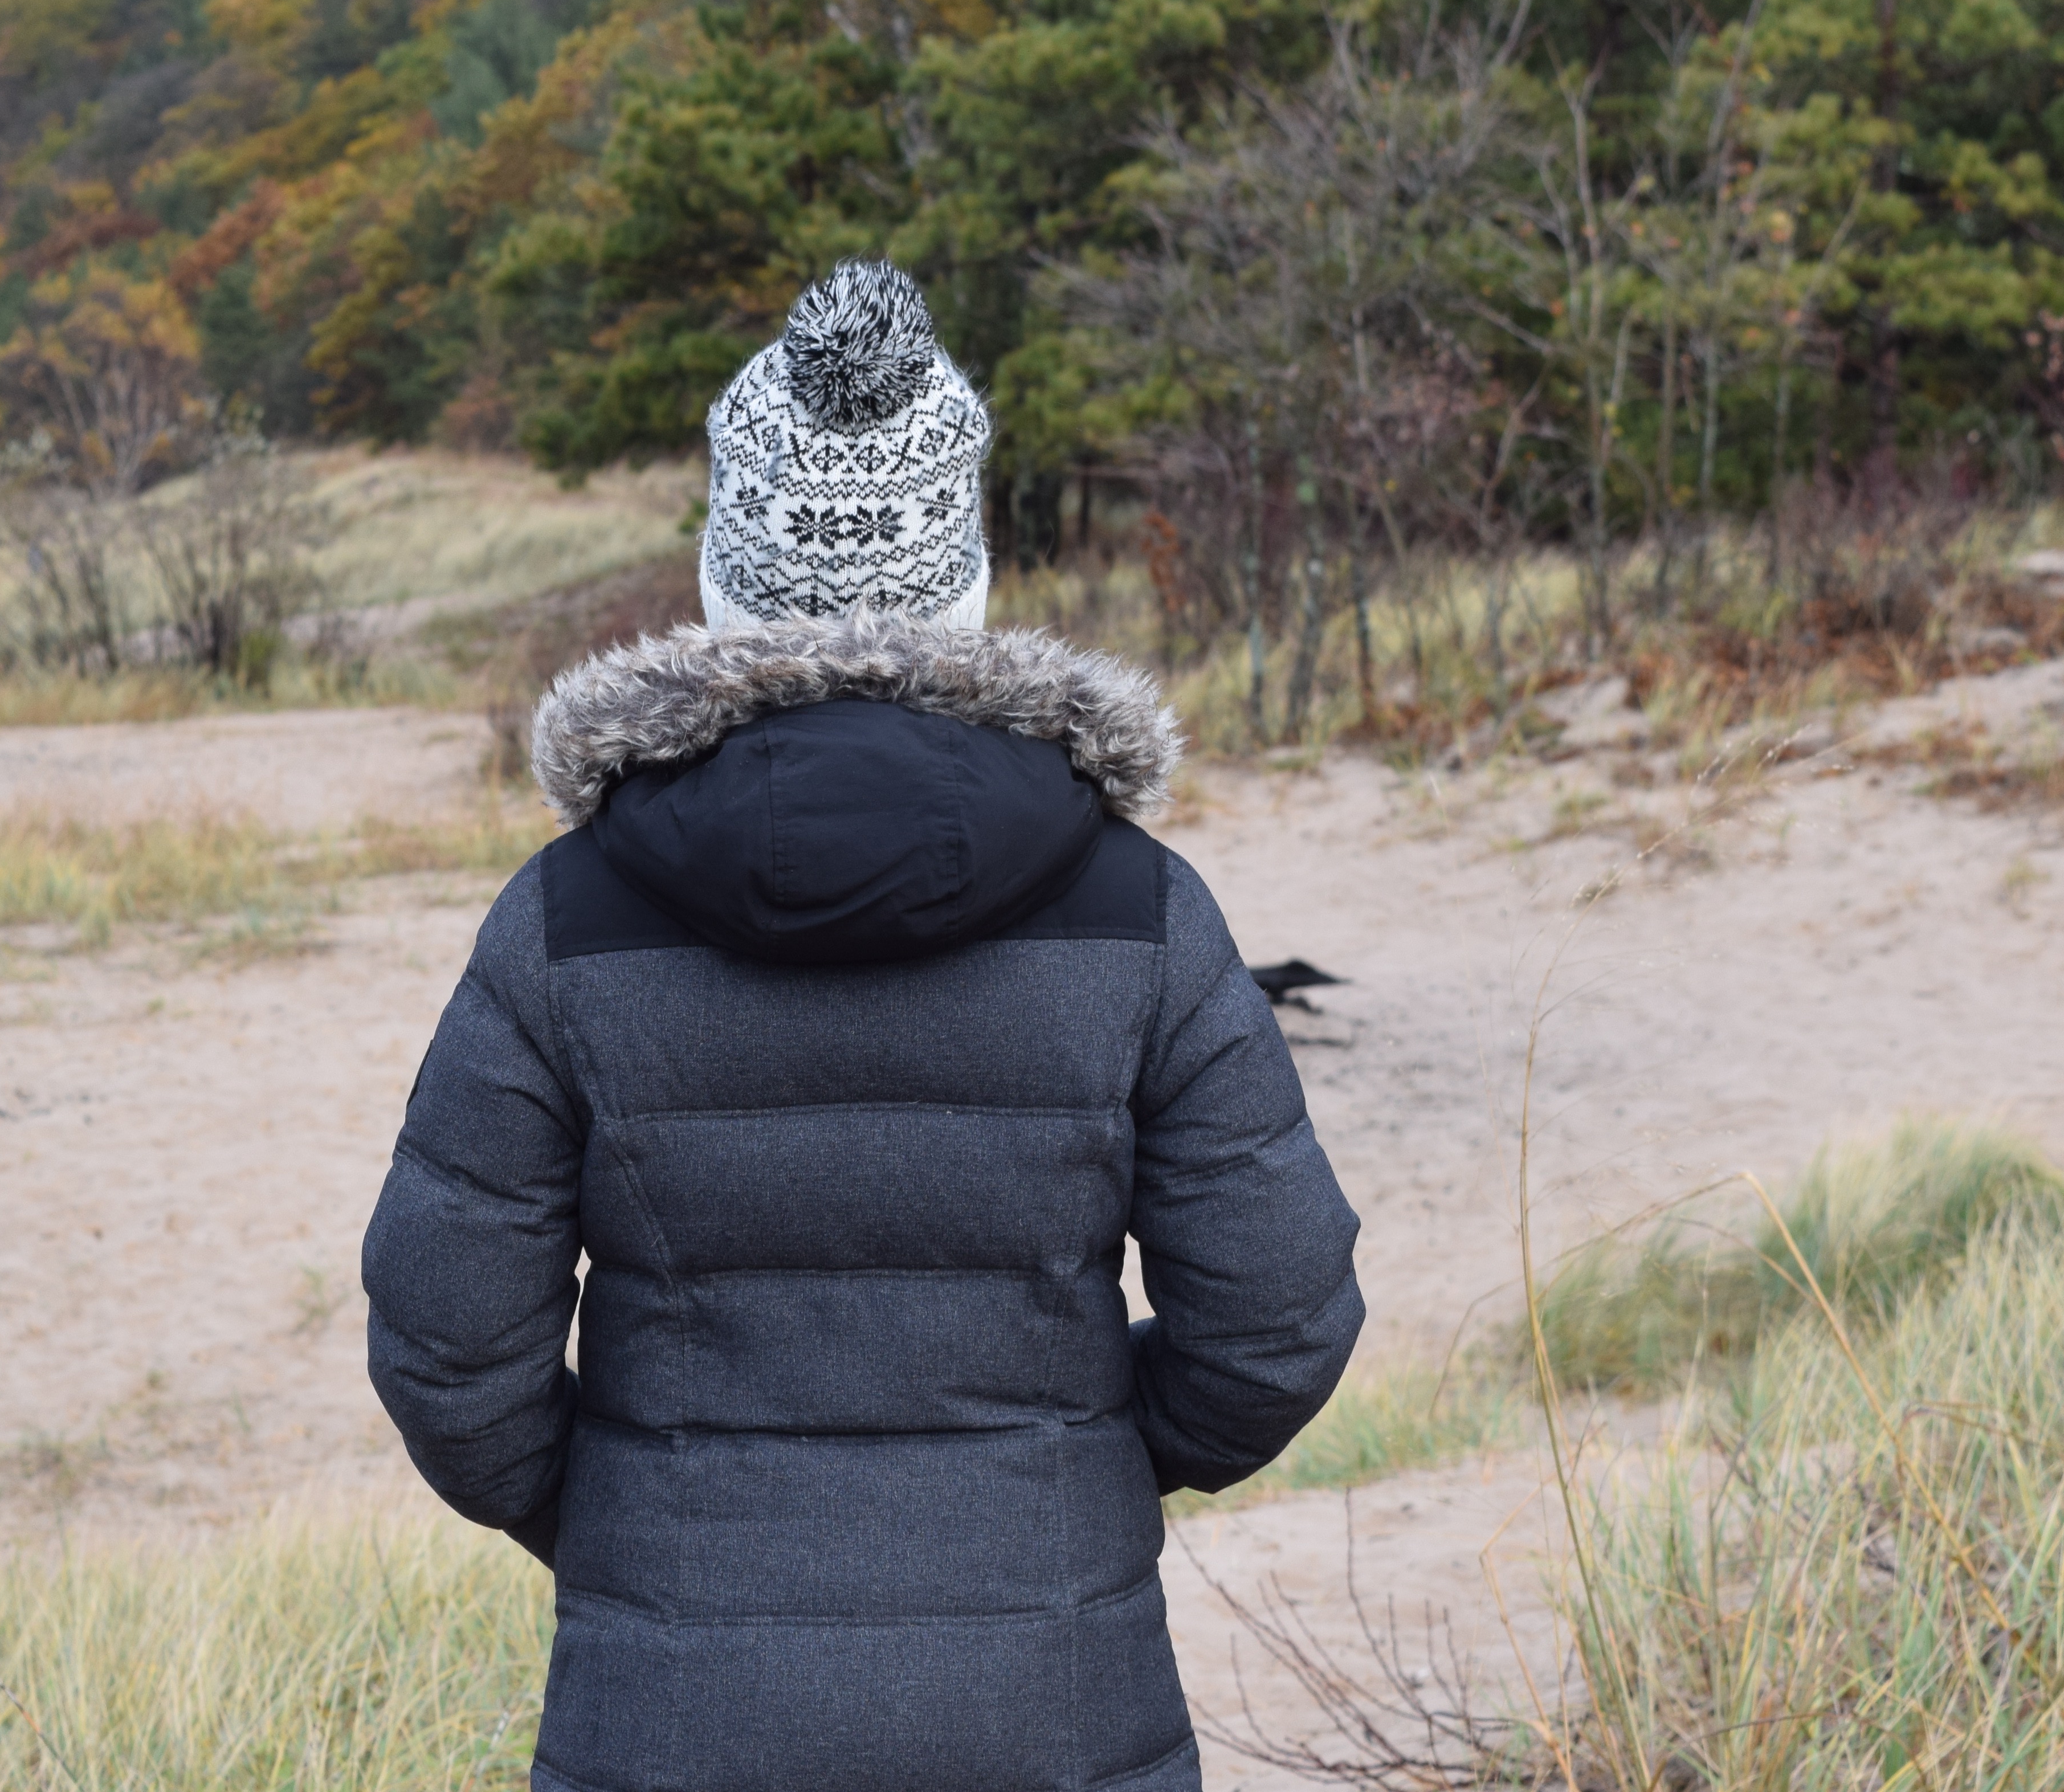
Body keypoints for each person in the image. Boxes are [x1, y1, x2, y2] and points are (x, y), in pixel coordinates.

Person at [363, 259, 1364, 1792]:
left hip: (671, 1710)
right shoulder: (1145, 911)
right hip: (1053, 1704)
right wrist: (1084, 1466)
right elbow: (1278, 1319)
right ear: (965, 577)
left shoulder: (560, 924)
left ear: (726, 577)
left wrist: (624, 1512)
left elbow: (450, 1348)